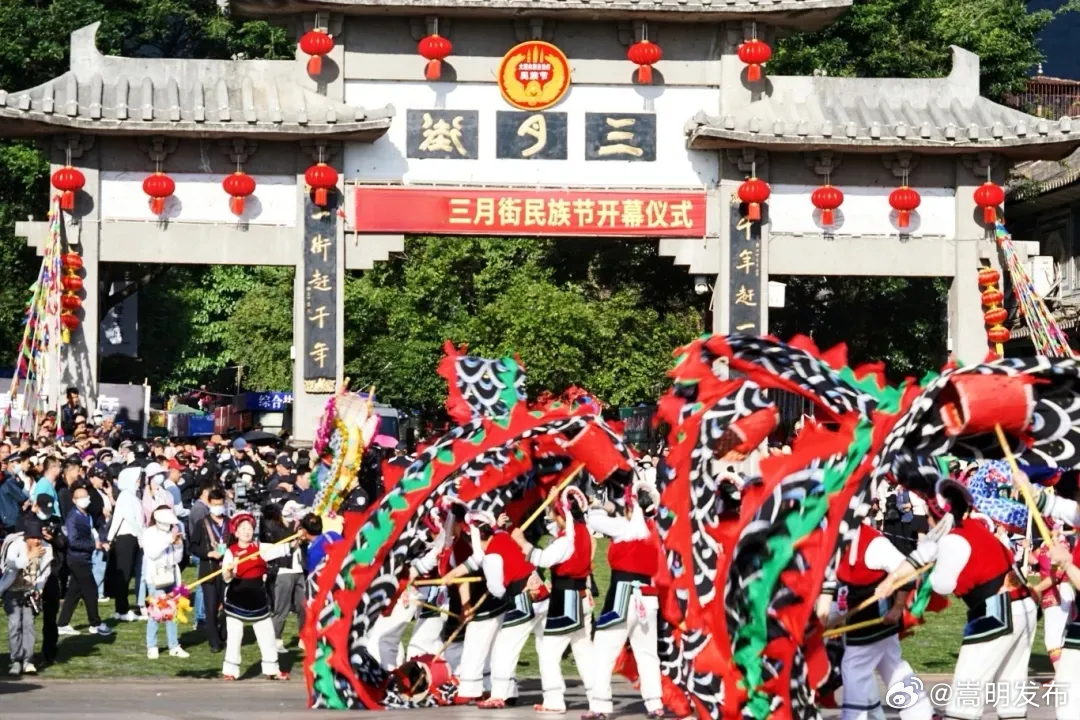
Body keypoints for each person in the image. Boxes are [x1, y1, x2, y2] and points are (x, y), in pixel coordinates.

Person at [900, 478, 1037, 720]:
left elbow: (943, 586)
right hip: (1023, 606)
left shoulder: (954, 539)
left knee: (967, 690)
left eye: (929, 515)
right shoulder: (976, 529)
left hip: (997, 611)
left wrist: (932, 566)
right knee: (1011, 691)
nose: (928, 521)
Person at [817, 520, 931, 720]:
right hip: (856, 613)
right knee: (894, 668)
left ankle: (856, 717)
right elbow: (832, 584)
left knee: (853, 668)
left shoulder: (874, 544)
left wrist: (897, 607)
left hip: (877, 617)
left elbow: (908, 573)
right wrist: (825, 616)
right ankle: (921, 714)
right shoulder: (834, 540)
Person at [583, 482, 664, 720]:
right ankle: (655, 703)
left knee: (603, 651)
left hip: (622, 596)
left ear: (630, 507)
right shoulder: (654, 531)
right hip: (647, 597)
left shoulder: (623, 527)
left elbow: (593, 520)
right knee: (647, 654)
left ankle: (600, 705)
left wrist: (602, 506)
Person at [439, 510, 537, 706]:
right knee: (504, 648)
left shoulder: (490, 554)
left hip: (519, 598)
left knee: (499, 648)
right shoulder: (500, 536)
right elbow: (474, 562)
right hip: (525, 596)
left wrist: (465, 599)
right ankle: (502, 691)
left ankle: (486, 692)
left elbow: (495, 587)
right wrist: (452, 575)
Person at [511, 487, 595, 714]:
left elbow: (542, 558)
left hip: (566, 600)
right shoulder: (583, 531)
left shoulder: (567, 540)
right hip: (581, 597)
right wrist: (552, 500)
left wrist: (521, 542)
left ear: (562, 515)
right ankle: (597, 697)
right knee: (583, 651)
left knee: (549, 651)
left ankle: (554, 699)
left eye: (554, 512)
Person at [221, 512, 290, 680]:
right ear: (236, 532)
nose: (247, 531)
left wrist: (297, 538)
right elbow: (226, 578)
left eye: (250, 528)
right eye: (243, 528)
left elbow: (283, 548)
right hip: (237, 599)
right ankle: (230, 670)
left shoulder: (260, 548)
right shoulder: (231, 552)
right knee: (235, 636)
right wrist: (229, 570)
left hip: (258, 599)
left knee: (267, 636)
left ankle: (271, 669)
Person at [56, 486, 113, 637]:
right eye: (80, 497)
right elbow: (73, 541)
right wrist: (93, 545)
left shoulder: (87, 515)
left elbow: (97, 527)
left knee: (74, 592)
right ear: (74, 500)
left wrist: (103, 541)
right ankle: (95, 623)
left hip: (84, 557)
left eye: (86, 496)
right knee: (91, 589)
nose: (84, 499)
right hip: (77, 559)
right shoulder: (73, 518)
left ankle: (62, 624)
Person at [1, 518, 52, 675]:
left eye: (39, 538)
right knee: (15, 624)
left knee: (29, 625)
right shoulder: (16, 545)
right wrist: (29, 556)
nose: (37, 541)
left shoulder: (46, 548)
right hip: (12, 590)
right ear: (26, 537)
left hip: (30, 592)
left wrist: (38, 590)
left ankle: (28, 660)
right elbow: (11, 564)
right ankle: (16, 660)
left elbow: (45, 572)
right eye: (33, 538)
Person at [141, 505, 190, 659]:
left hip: (171, 576)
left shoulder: (171, 534)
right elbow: (152, 554)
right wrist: (169, 541)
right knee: (156, 612)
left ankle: (173, 645)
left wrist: (178, 545)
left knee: (172, 611)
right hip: (156, 578)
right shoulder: (149, 533)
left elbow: (177, 559)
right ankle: (152, 646)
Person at [261, 503, 304, 653]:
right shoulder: (272, 526)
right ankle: (276, 639)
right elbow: (267, 551)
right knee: (281, 608)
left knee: (303, 606)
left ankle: (304, 637)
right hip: (283, 571)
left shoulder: (299, 525)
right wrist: (294, 540)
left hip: (300, 570)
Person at [192, 487, 230, 652]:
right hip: (209, 570)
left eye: (220, 504)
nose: (218, 507)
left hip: (227, 570)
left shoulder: (230, 523)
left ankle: (224, 635)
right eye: (215, 504)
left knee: (229, 606)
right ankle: (214, 642)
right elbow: (193, 546)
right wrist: (208, 553)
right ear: (209, 504)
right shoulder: (202, 524)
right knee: (211, 607)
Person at [1034, 525, 1075, 672]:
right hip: (1054, 592)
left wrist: (1034, 589)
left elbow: (1055, 577)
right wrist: (1027, 548)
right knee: (1060, 637)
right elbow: (1034, 560)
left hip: (1057, 592)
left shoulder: (1059, 545)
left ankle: (1061, 675)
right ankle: (1066, 672)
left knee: (1052, 640)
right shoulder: (1046, 543)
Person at [108, 466, 144, 621]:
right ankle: (122, 609)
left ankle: (121, 608)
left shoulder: (131, 496)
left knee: (126, 574)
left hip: (132, 537)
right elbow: (125, 518)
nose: (139, 482)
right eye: (137, 479)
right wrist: (141, 536)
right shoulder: (125, 496)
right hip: (127, 538)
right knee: (124, 574)